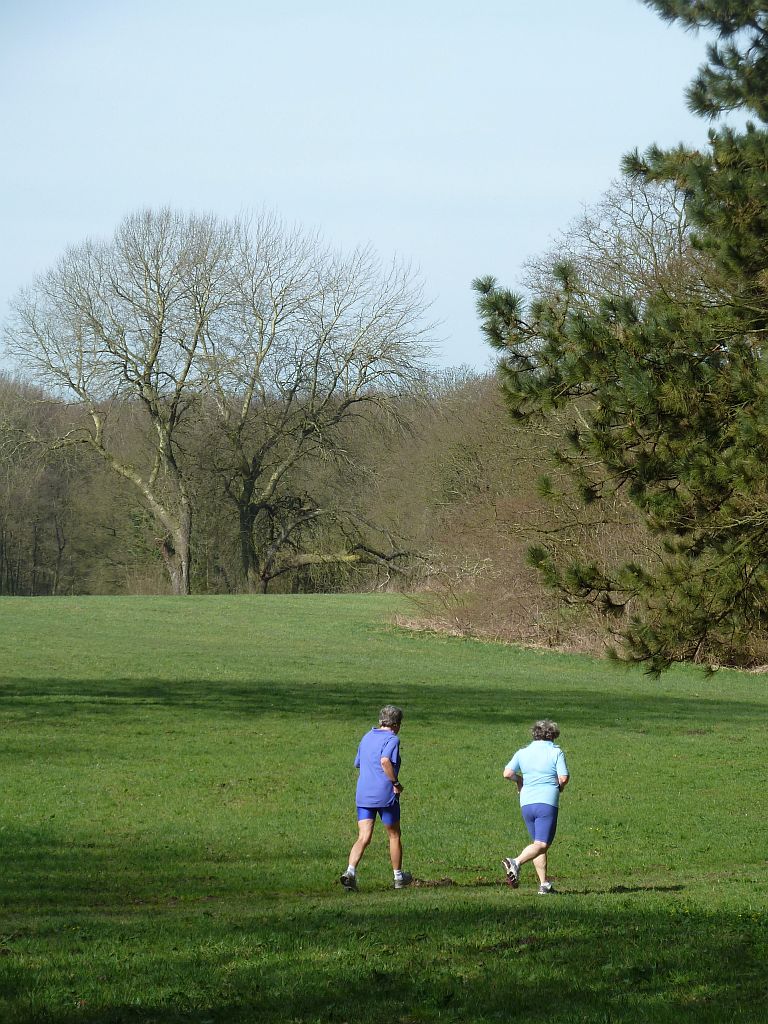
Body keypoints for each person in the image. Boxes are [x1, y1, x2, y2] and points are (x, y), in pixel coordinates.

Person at [339, 705, 413, 892]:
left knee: (363, 837)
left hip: (364, 793)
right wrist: (395, 783)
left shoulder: (367, 737)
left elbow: (358, 763)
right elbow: (385, 760)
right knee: (394, 834)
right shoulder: (392, 739)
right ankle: (398, 878)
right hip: (385, 794)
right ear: (395, 724)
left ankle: (350, 872)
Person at [501, 718, 569, 895]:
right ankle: (515, 862)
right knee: (542, 844)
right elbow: (563, 778)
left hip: (526, 803)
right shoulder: (556, 752)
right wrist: (559, 787)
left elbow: (507, 773)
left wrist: (520, 780)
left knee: (537, 843)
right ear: (552, 735)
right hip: (546, 802)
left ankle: (544, 885)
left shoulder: (523, 752)